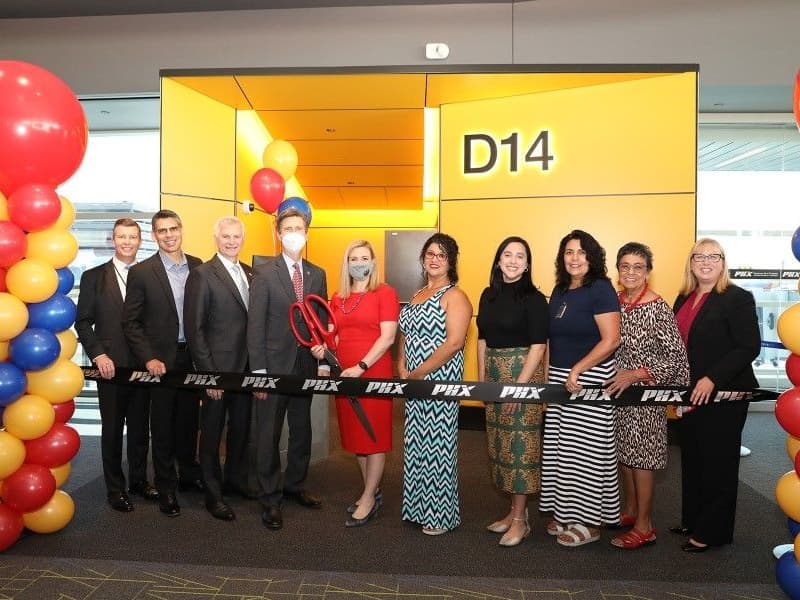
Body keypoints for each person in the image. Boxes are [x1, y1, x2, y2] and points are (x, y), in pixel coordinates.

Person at [671, 238, 760, 552]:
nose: (705, 262)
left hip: (726, 395)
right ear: (691, 262)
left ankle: (714, 531)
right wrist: (678, 394)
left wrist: (712, 378)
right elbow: (677, 348)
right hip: (690, 394)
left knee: (718, 463)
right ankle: (693, 519)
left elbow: (749, 347)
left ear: (723, 263)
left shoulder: (738, 298)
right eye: (699, 256)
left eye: (713, 256)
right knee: (693, 458)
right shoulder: (684, 297)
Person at [246, 207, 328, 531]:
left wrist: (322, 359)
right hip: (273, 366)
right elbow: (255, 326)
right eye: (288, 228)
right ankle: (270, 498)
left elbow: (321, 320)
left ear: (306, 234)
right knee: (268, 433)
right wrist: (259, 372)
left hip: (305, 364)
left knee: (301, 430)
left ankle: (296, 485)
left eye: (299, 227)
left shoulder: (317, 274)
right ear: (279, 235)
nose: (294, 232)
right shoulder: (265, 273)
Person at [604, 242, 690, 549]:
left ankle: (645, 526)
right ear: (618, 271)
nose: (630, 272)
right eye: (624, 266)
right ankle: (630, 511)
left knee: (641, 458)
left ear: (648, 272)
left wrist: (634, 373)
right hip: (617, 396)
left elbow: (677, 361)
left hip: (646, 396)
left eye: (637, 267)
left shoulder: (658, 308)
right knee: (625, 456)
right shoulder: (615, 303)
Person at [310, 240, 399, 527]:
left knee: (373, 438)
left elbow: (387, 337)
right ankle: (369, 490)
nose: (359, 263)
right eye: (353, 258)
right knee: (357, 439)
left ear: (373, 262)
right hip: (345, 376)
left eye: (364, 257)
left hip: (372, 373)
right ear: (346, 264)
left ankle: (370, 496)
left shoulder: (385, 292)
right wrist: (324, 352)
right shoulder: (338, 297)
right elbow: (334, 336)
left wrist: (361, 367)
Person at [540, 229, 621, 547]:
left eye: (581, 252)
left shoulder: (600, 289)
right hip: (560, 381)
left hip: (590, 378)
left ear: (593, 257)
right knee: (563, 453)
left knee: (587, 454)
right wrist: (550, 380)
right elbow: (552, 340)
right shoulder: (560, 290)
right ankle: (565, 511)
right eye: (569, 251)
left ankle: (590, 522)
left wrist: (578, 370)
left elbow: (612, 339)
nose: (574, 258)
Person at [122, 209, 203, 518]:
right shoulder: (142, 272)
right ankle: (166, 489)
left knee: (188, 424)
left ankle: (188, 477)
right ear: (155, 235)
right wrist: (148, 358)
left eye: (173, 228)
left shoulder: (198, 266)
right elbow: (131, 323)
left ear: (181, 230)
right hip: (160, 363)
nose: (169, 234)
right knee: (164, 428)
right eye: (162, 230)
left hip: (192, 360)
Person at [76, 218, 157, 513]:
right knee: (111, 430)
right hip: (109, 367)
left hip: (142, 367)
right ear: (113, 240)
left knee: (139, 429)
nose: (127, 242)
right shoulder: (93, 277)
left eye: (132, 237)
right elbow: (83, 322)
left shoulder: (148, 274)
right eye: (121, 237)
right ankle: (115, 488)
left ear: (140, 241)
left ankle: (139, 481)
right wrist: (98, 355)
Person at [398, 233, 472, 536]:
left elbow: (454, 344)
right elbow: (405, 334)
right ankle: (417, 508)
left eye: (441, 255)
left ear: (450, 261)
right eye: (430, 253)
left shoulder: (455, 296)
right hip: (413, 383)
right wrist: (401, 366)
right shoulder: (417, 294)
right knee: (416, 445)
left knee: (438, 447)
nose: (434, 259)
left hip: (438, 383)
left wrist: (417, 373)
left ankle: (440, 515)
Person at [477, 236, 548, 547]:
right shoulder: (488, 295)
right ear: (498, 260)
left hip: (523, 377)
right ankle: (513, 512)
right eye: (508, 254)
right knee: (501, 449)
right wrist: (482, 380)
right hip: (494, 375)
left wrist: (519, 387)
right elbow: (482, 340)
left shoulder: (534, 298)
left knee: (521, 451)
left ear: (527, 264)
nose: (514, 260)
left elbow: (539, 345)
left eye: (521, 256)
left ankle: (521, 520)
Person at [184, 216, 254, 522]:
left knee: (240, 430)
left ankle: (234, 481)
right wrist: (208, 374)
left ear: (242, 239)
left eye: (236, 236)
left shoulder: (252, 273)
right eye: (225, 236)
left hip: (246, 371)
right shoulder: (202, 275)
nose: (231, 241)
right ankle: (213, 494)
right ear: (216, 238)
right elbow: (194, 329)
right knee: (211, 435)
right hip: (216, 372)